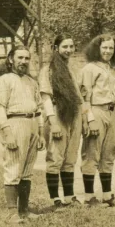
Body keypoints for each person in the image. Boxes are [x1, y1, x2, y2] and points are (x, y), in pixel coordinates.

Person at [0, 46, 46, 223]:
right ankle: (11, 212)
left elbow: (38, 109)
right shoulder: (3, 80)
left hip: (31, 123)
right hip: (14, 122)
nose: (23, 61)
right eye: (19, 58)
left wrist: (40, 132)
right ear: (10, 59)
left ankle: (24, 210)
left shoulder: (32, 82)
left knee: (27, 170)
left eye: (26, 58)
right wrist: (7, 132)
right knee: (13, 167)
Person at [79, 34, 115, 207]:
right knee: (92, 154)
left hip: (111, 112)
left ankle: (107, 195)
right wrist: (89, 119)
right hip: (96, 111)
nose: (107, 51)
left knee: (108, 154)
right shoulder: (89, 68)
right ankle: (89, 197)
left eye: (111, 48)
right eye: (104, 47)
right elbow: (84, 97)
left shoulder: (113, 69)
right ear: (97, 49)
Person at [38, 35, 83, 209]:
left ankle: (70, 196)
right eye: (65, 46)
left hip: (74, 113)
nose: (69, 50)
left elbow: (80, 97)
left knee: (70, 157)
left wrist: (85, 118)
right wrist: (53, 122)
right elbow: (46, 97)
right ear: (56, 48)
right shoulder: (48, 69)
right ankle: (55, 199)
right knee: (56, 156)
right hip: (57, 113)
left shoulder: (73, 68)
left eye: (71, 46)